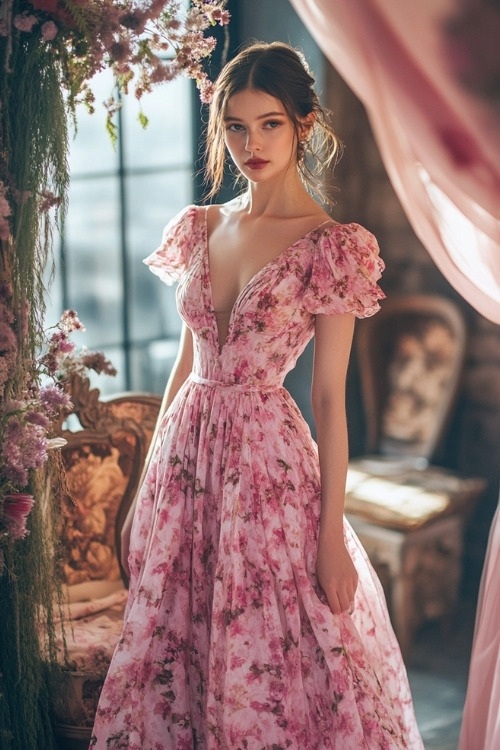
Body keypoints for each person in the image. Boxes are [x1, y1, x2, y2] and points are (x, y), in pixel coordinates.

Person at [90, 41, 424, 749]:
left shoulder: (332, 246)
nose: (251, 143)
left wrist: (331, 535)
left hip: (267, 474)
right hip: (184, 466)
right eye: (235, 127)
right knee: (174, 649)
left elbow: (329, 401)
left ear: (304, 124)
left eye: (269, 123)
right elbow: (185, 370)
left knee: (275, 653)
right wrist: (140, 496)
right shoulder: (201, 227)